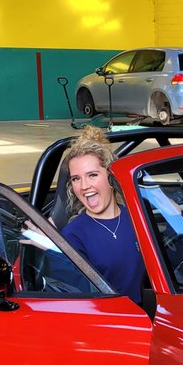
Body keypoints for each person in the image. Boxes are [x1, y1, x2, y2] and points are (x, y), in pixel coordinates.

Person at [58, 125, 145, 303]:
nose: (84, 186)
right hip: (114, 321)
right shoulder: (72, 236)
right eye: (76, 179)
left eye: (92, 175)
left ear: (112, 177)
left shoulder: (138, 217)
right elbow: (80, 299)